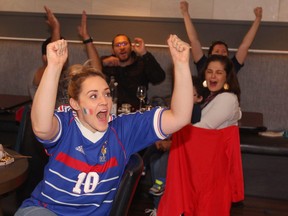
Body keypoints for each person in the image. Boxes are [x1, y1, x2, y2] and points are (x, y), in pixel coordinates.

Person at [15, 34, 193, 216]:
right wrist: (53, 67)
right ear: (75, 104)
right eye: (93, 96)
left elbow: (180, 117)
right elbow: (41, 127)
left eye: (107, 94)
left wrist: (181, 64)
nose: (104, 102)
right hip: (46, 210)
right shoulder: (67, 124)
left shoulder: (123, 130)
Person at [158, 55, 243, 216]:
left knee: (205, 207)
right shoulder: (211, 96)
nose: (212, 76)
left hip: (212, 167)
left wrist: (171, 138)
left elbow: (202, 130)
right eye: (209, 71)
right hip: (202, 164)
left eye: (218, 72)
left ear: (227, 76)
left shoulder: (227, 98)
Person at [144, 76, 205, 216]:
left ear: (199, 98)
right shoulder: (179, 109)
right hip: (176, 144)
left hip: (186, 150)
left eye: (191, 95)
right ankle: (158, 207)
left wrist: (169, 143)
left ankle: (160, 184)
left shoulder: (195, 111)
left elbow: (190, 138)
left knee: (161, 162)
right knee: (153, 157)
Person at [180, 0, 263, 75]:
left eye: (224, 52)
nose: (220, 54)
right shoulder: (203, 64)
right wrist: (185, 13)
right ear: (210, 55)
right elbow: (194, 40)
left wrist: (258, 19)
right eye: (217, 51)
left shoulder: (231, 65)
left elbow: (245, 45)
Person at [101, 34, 166, 110]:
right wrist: (103, 63)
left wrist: (144, 53)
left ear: (131, 47)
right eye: (118, 45)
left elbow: (159, 78)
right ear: (113, 51)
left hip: (137, 111)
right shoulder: (107, 63)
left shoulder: (142, 62)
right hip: (114, 111)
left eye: (125, 44)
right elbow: (92, 73)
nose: (122, 47)